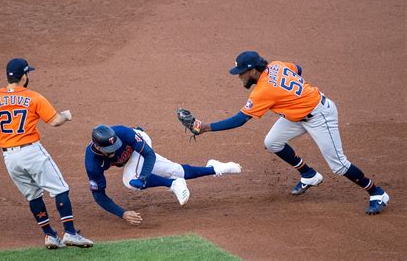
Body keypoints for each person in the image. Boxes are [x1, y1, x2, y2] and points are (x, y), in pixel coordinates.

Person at [177, 51, 389, 215]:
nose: (239, 77)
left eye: (241, 72)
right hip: (297, 115)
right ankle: (309, 175)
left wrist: (204, 127)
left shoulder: (263, 91)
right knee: (272, 142)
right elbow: (297, 68)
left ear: (252, 71)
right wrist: (293, 97)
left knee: (339, 165)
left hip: (320, 115)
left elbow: (240, 120)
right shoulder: (276, 65)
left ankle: (377, 193)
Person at [0, 58, 93, 249]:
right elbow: (55, 121)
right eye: (27, 73)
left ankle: (50, 236)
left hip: (10, 158)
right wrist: (66, 115)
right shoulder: (33, 97)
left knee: (33, 196)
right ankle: (70, 233)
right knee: (60, 189)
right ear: (23, 77)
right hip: (31, 152)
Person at [85, 124, 242, 225]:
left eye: (115, 146)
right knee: (177, 171)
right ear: (98, 147)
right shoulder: (92, 164)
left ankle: (173, 183)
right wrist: (122, 213)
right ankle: (215, 168)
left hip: (140, 143)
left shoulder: (123, 133)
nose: (114, 151)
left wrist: (144, 177)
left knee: (130, 180)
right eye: (109, 150)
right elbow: (99, 195)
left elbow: (149, 155)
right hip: (132, 158)